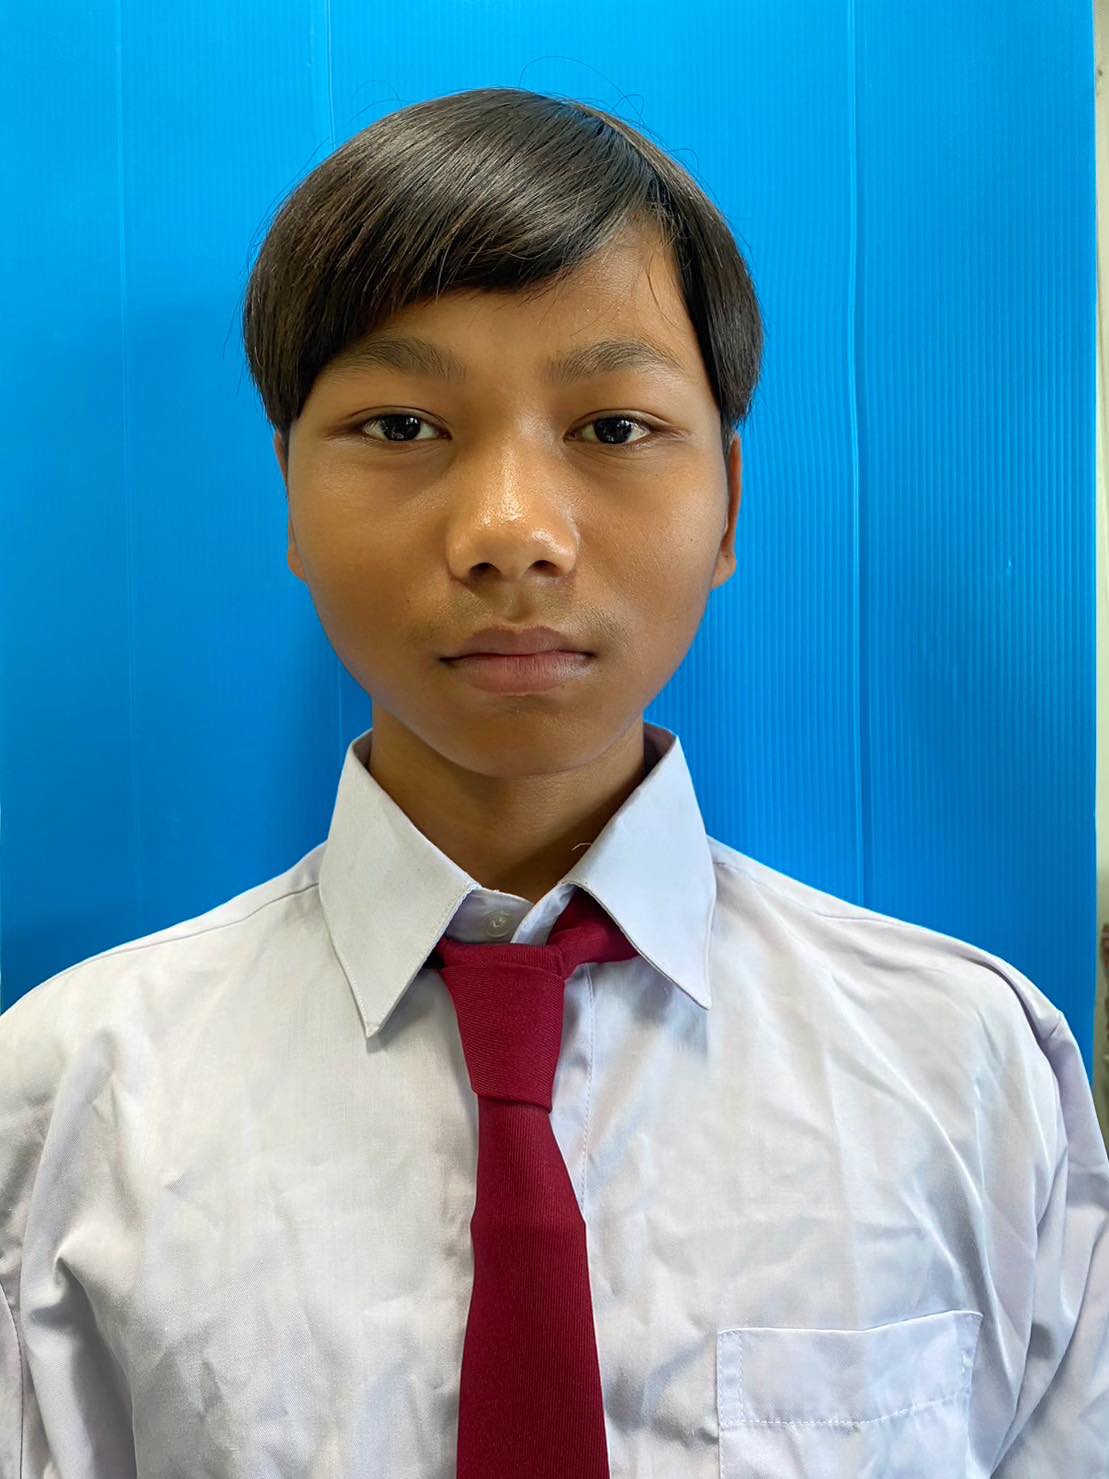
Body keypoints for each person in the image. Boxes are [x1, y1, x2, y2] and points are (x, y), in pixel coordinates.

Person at [1, 85, 1106, 1479]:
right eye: (402, 427)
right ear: (289, 494)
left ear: (728, 505)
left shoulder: (966, 1068)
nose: (510, 531)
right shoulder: (69, 1097)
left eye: (613, 428)